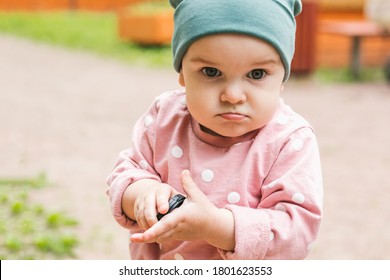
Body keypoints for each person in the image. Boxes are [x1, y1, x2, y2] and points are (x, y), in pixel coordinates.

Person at [106, 0, 323, 260]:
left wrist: (216, 226)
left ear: (281, 80)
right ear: (183, 74)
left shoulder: (289, 140)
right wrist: (142, 193)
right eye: (211, 71)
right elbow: (126, 172)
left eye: (257, 74)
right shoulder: (165, 117)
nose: (232, 95)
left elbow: (297, 232)